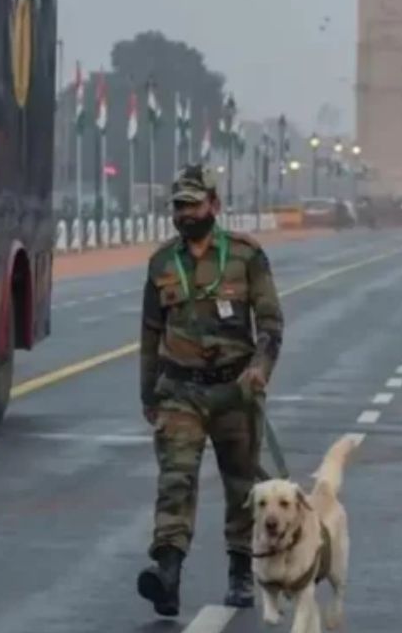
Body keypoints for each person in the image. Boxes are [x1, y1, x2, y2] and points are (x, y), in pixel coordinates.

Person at [137, 164, 285, 617]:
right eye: (178, 207)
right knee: (175, 481)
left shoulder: (245, 256)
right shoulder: (162, 263)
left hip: (235, 391)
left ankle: (241, 572)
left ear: (214, 206)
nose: (184, 214)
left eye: (192, 205)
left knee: (242, 484)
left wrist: (261, 368)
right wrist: (149, 395)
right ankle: (167, 574)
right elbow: (149, 334)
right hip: (180, 391)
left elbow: (271, 323)